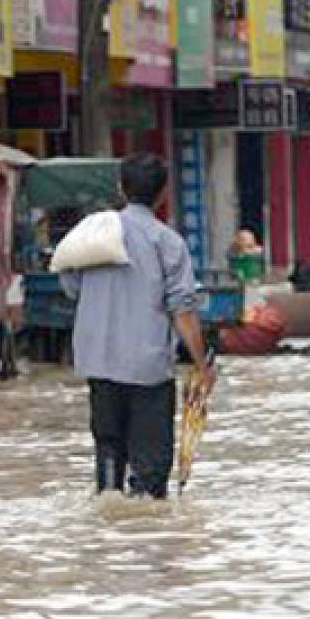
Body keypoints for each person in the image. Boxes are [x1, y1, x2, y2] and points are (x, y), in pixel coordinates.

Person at [60, 155, 216, 499]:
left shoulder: (92, 234)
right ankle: (147, 538)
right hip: (148, 370)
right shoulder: (167, 242)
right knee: (150, 471)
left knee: (108, 451)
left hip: (98, 362)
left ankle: (109, 518)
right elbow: (183, 312)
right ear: (163, 194)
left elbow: (72, 288)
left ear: (121, 187)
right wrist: (202, 365)